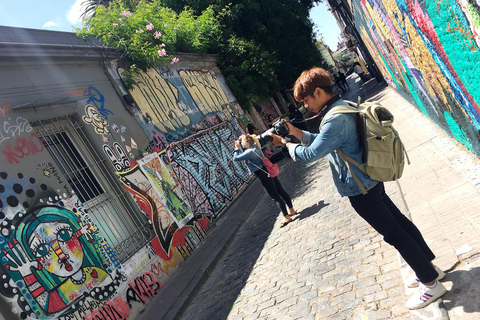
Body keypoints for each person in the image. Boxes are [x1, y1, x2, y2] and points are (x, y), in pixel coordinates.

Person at [268, 67, 446, 310]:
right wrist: (296, 133)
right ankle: (429, 267)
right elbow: (326, 142)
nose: (306, 106)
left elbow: (310, 154)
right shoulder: (342, 107)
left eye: (307, 100)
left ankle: (430, 284)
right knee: (401, 224)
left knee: (395, 234)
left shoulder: (334, 119)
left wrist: (287, 145)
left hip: (360, 189)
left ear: (318, 92)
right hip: (370, 180)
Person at [233, 134, 298, 227]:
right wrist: (242, 138)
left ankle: (286, 217)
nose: (241, 144)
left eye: (242, 142)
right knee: (281, 191)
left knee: (275, 197)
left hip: (263, 174)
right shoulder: (256, 146)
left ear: (247, 142)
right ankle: (291, 210)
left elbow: (236, 158)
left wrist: (236, 148)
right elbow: (247, 141)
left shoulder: (250, 152)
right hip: (268, 170)